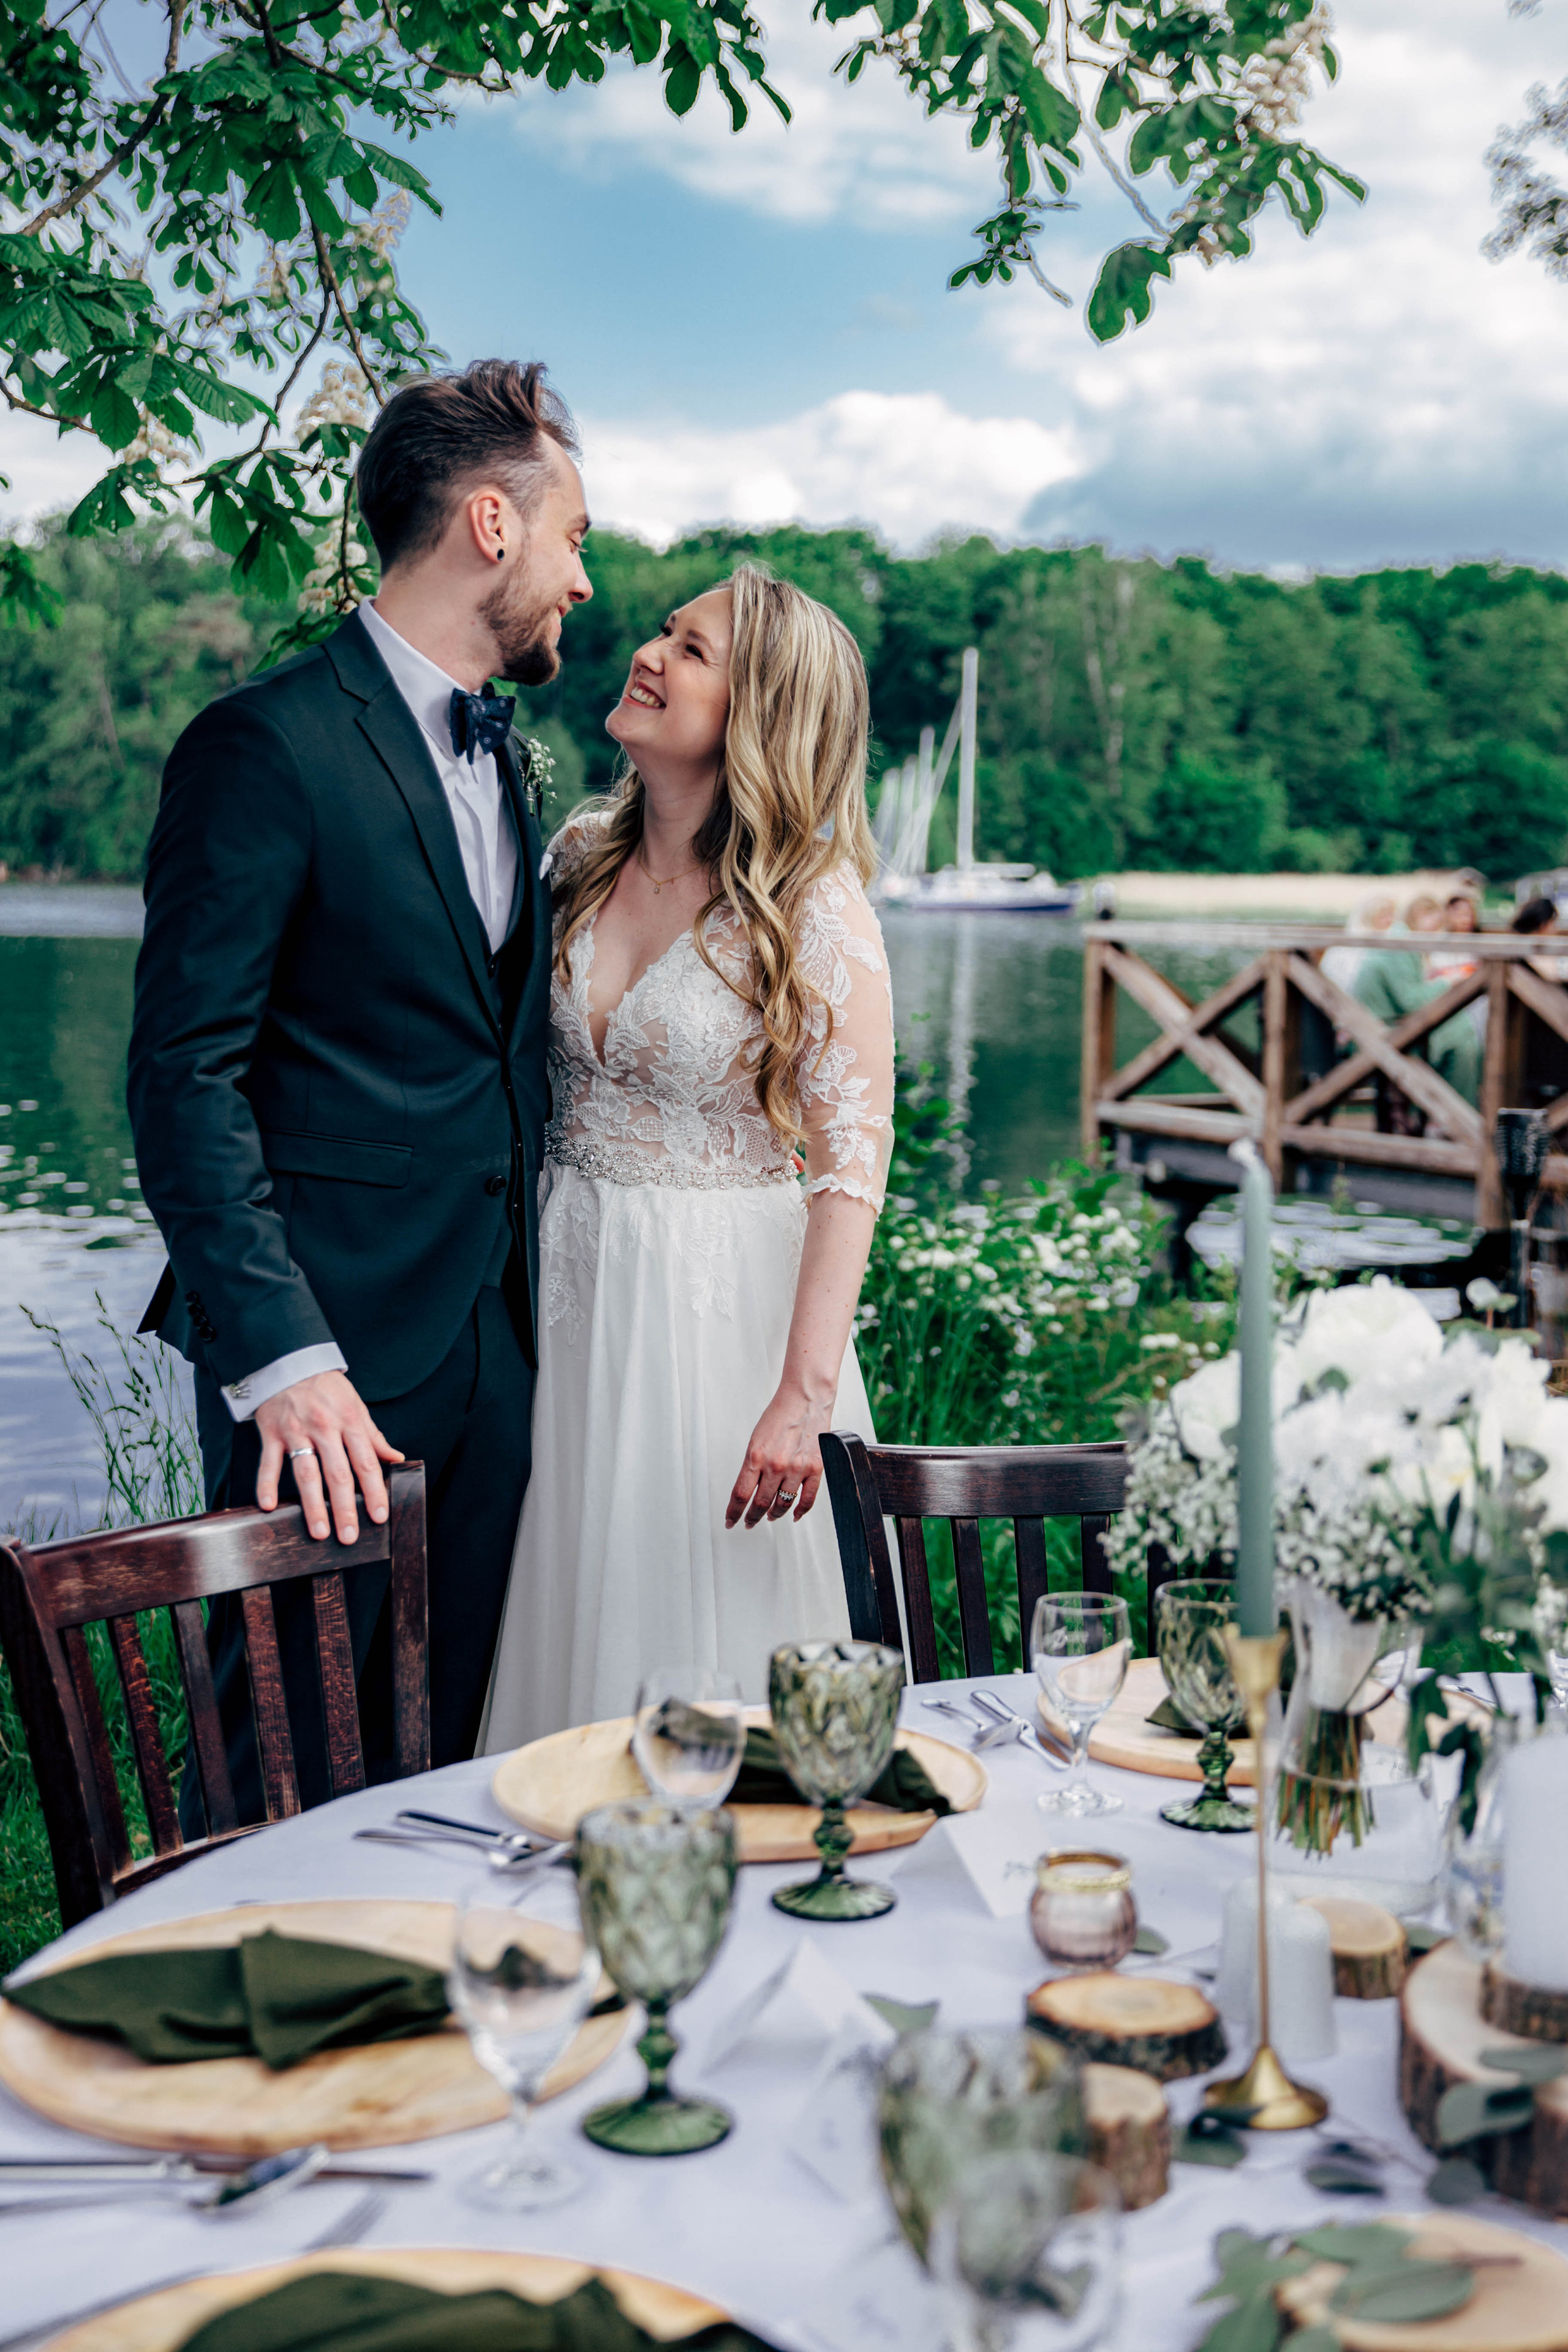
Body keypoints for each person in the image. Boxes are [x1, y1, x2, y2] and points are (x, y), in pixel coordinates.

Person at [128, 360, 591, 1822]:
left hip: (493, 1347)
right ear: (491, 525)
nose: (583, 579)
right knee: (274, 1766)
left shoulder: (507, 762)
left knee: (439, 1767)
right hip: (327, 1365)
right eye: (573, 534)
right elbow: (183, 1075)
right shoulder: (263, 744)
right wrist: (281, 1359)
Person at [481, 567, 892, 1747]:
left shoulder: (813, 907)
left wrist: (803, 1398)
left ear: (761, 711)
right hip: (567, 1298)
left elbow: (851, 1170)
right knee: (562, 1605)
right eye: (665, 632)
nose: (651, 653)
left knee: (699, 1634)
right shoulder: (576, 855)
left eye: (693, 649)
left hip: (719, 1324)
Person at [1352, 892, 1480, 1107]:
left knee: (1462, 1029)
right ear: (1419, 915)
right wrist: (1449, 981)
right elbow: (1411, 1001)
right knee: (1463, 1035)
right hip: (1377, 1033)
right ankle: (1456, 1113)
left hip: (1387, 1025)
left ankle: (1452, 1111)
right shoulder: (1402, 945)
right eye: (1435, 926)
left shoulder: (1402, 940)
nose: (1438, 933)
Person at [1319, 892, 1396, 997]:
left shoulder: (1392, 941)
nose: (1390, 920)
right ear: (1369, 916)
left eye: (1391, 915)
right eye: (1383, 915)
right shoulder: (1347, 948)